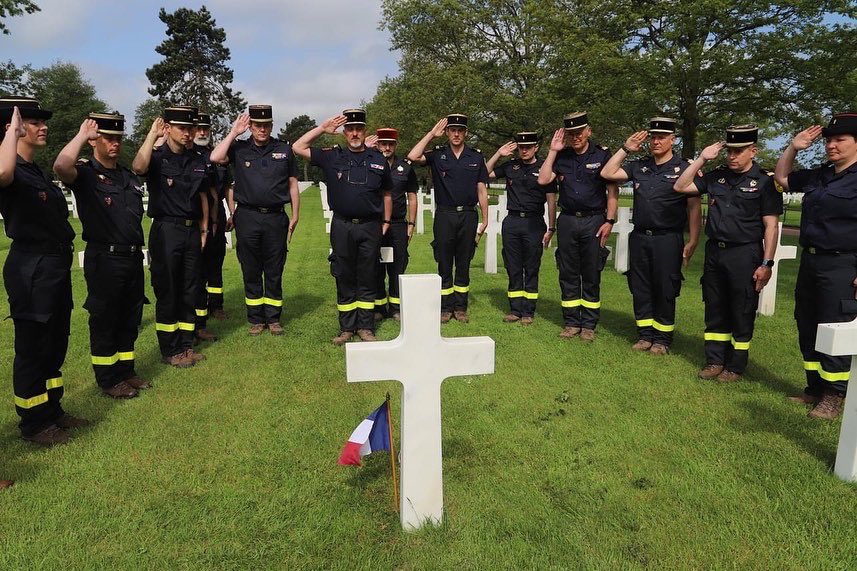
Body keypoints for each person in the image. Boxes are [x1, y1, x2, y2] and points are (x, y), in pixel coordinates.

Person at [0, 97, 89, 445]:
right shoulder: (10, 168)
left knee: (55, 342)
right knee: (33, 347)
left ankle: (52, 411)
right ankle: (34, 423)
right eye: (33, 122)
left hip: (54, 263)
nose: (43, 127)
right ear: (13, 127)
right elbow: (3, 173)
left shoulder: (33, 169)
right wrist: (9, 131)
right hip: (31, 266)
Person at [674, 125, 782, 382]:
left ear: (753, 151)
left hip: (745, 254)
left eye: (739, 151)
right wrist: (702, 158)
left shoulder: (765, 182)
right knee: (715, 306)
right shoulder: (717, 177)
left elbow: (771, 226)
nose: (732, 156)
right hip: (716, 252)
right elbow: (680, 186)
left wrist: (767, 262)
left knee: (742, 309)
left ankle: (735, 365)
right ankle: (714, 360)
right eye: (729, 151)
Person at [53, 112, 149, 399]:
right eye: (108, 138)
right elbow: (60, 166)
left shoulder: (127, 177)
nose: (114, 144)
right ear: (96, 141)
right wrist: (82, 135)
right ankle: (108, 378)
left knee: (130, 317)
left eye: (118, 138)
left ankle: (126, 370)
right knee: (105, 319)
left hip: (132, 257)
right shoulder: (84, 174)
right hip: (104, 258)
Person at [774, 112, 857, 419]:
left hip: (843, 264)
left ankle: (835, 396)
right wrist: (793, 148)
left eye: (840, 140)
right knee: (807, 323)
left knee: (834, 326)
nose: (832, 146)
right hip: (810, 261)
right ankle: (815, 387)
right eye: (829, 140)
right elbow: (782, 179)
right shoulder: (822, 175)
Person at [601, 118, 702, 354]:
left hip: (668, 238)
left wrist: (694, 239)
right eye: (653, 137)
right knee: (640, 286)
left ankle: (662, 339)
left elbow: (694, 206)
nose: (656, 142)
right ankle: (645, 335)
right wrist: (626, 149)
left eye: (661, 137)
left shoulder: (685, 167)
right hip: (640, 237)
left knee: (665, 288)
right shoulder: (640, 166)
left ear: (672, 139)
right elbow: (608, 172)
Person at [293, 109, 392, 345]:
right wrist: (322, 128)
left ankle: (366, 327)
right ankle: (347, 327)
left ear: (365, 131)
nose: (355, 133)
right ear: (344, 133)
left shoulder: (378, 159)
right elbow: (297, 146)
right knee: (344, 275)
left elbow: (387, 194)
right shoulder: (332, 157)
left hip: (370, 226)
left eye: (359, 129)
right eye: (350, 129)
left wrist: (386, 222)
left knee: (368, 276)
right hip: (342, 226)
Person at [210, 104, 300, 336]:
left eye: (266, 125)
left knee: (274, 268)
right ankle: (255, 319)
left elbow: (292, 183)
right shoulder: (239, 149)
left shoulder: (283, 149)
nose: (262, 129)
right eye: (257, 125)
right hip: (247, 216)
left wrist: (296, 214)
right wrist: (233, 133)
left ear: (271, 125)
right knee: (250, 268)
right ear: (250, 126)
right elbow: (215, 156)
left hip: (275, 217)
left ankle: (273, 318)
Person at [132, 107, 210, 368]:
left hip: (190, 230)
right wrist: (152, 135)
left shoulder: (196, 159)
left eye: (190, 129)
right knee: (168, 290)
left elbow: (202, 196)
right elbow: (138, 167)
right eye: (182, 128)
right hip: (166, 230)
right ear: (168, 128)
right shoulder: (156, 157)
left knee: (190, 288)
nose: (188, 134)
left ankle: (186, 344)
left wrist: (203, 228)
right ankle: (170, 349)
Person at [538, 112, 619, 340]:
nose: (576, 137)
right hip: (568, 220)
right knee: (568, 271)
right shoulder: (561, 157)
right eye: (571, 134)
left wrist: (609, 221)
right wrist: (553, 151)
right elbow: (543, 180)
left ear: (588, 131)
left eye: (579, 133)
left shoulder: (602, 154)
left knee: (591, 272)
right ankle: (572, 322)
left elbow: (612, 191)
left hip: (594, 220)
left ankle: (589, 325)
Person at [407, 114, 490, 323]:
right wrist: (431, 135)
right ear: (446, 132)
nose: (456, 134)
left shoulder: (476, 157)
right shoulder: (438, 154)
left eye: (460, 130)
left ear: (466, 133)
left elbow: (481, 188)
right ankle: (445, 307)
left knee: (463, 262)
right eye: (452, 130)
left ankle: (460, 307)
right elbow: (413, 156)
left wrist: (485, 218)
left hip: (469, 215)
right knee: (444, 262)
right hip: (445, 215)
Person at [486, 132, 557, 324]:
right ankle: (515, 309)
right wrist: (498, 154)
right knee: (513, 266)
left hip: (534, 223)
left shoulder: (545, 168)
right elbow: (484, 174)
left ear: (535, 148)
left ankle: (528, 311)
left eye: (528, 147)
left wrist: (551, 228)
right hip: (512, 222)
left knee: (532, 267)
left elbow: (551, 200)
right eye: (521, 147)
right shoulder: (511, 166)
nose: (524, 150)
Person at [368, 127, 417, 321]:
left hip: (397, 225)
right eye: (383, 143)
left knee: (398, 266)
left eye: (390, 144)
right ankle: (379, 306)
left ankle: (396, 307)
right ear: (378, 144)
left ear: (396, 145)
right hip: (375, 224)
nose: (387, 147)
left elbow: (412, 197)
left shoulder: (405, 168)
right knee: (376, 265)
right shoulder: (370, 163)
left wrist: (411, 224)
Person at [195, 112, 230, 321]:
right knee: (197, 264)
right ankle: (199, 305)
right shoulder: (188, 154)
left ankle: (216, 305)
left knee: (216, 261)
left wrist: (231, 213)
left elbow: (226, 186)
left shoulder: (218, 154)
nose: (201, 132)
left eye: (205, 128)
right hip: (197, 215)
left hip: (217, 212)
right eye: (198, 128)